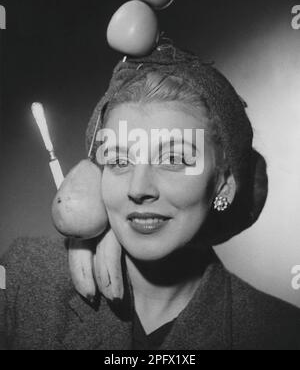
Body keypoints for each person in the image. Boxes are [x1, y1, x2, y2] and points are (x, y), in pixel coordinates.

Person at [1, 43, 300, 350]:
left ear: (223, 184)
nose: (138, 188)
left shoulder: (282, 333)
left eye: (173, 159)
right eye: (119, 160)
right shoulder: (24, 280)